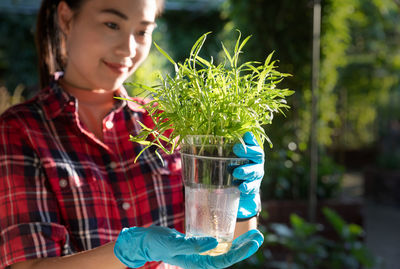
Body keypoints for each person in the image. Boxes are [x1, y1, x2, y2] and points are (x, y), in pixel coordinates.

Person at [0, 0, 264, 268]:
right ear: (66, 18)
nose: (128, 48)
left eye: (142, 31)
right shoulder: (20, 130)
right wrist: (128, 253)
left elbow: (222, 246)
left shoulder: (165, 123)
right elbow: (27, 266)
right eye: (112, 24)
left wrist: (240, 202)